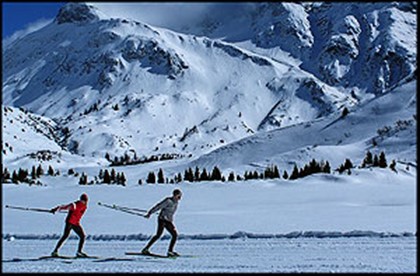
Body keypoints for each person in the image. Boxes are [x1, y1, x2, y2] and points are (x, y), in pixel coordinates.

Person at [142, 189, 182, 257]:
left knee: (174, 235)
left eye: (180, 196)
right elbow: (159, 206)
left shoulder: (176, 202)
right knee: (159, 235)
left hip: (168, 221)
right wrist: (150, 213)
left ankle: (170, 251)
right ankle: (145, 249)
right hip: (162, 220)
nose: (180, 198)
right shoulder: (168, 201)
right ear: (175, 195)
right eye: (179, 196)